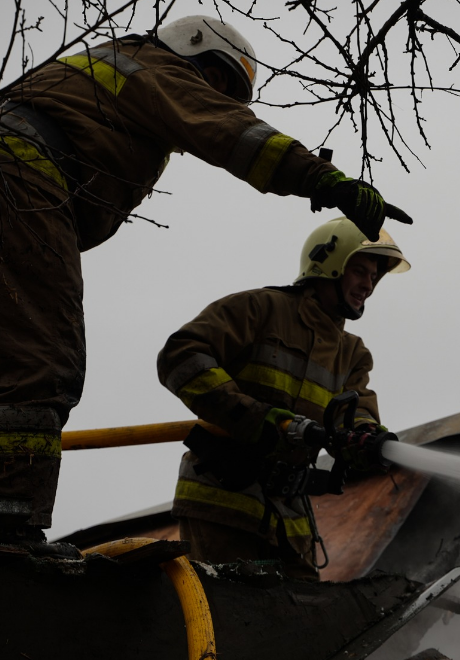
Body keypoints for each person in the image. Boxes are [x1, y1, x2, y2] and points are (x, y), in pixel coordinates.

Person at [0, 15, 411, 548]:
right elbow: (230, 132)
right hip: (17, 183)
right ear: (190, 50)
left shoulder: (89, 72)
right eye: (219, 78)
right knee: (36, 365)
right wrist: (325, 181)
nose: (219, 95)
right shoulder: (152, 65)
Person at [157, 217, 409, 578]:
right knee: (229, 620)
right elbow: (180, 355)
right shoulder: (260, 309)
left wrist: (363, 437)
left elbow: (353, 414)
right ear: (329, 263)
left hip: (291, 522)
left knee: (299, 623)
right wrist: (252, 416)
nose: (368, 284)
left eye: (374, 276)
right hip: (224, 505)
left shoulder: (353, 354)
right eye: (360, 271)